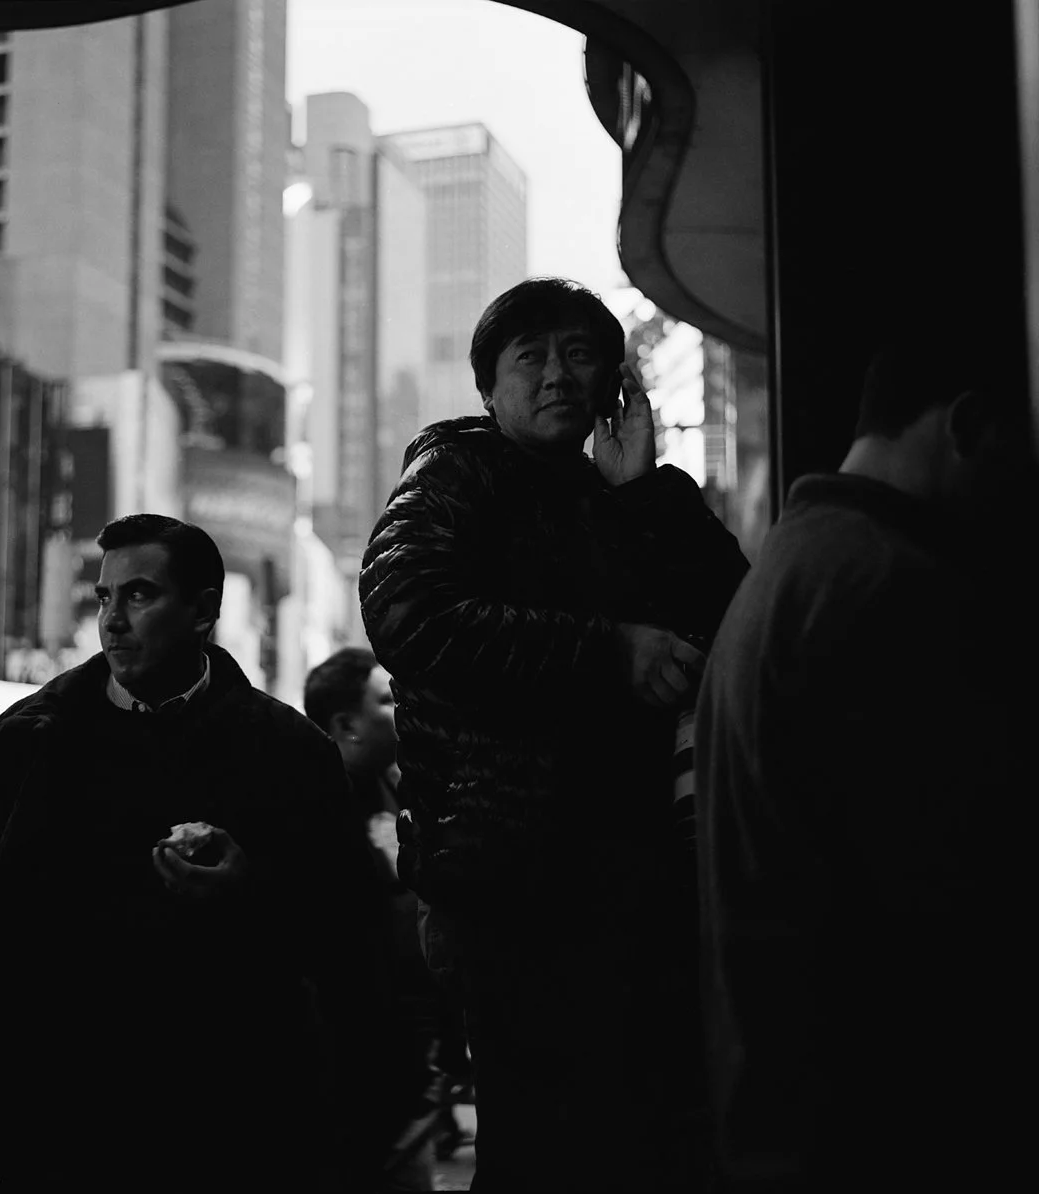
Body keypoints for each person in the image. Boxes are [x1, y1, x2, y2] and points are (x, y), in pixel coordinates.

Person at [359, 276, 751, 1191]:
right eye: (529, 356)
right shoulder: (455, 473)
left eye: (580, 354)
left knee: (640, 1135)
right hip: (510, 880)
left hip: (634, 869)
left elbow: (737, 613)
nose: (556, 374)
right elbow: (409, 613)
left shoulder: (621, 492)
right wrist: (607, 652)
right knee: (541, 1142)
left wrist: (645, 490)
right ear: (488, 387)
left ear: (614, 379)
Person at [0, 514, 405, 1193]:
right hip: (61, 1136)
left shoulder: (289, 754)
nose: (112, 620)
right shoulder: (23, 745)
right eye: (104, 597)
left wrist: (252, 890)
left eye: (139, 595)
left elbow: (352, 946)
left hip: (233, 1135)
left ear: (203, 611)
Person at [694, 334, 1036, 1191]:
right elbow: (952, 896)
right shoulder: (891, 584)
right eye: (1014, 454)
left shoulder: (792, 564)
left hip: (786, 1109)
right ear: (966, 425)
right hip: (880, 1120)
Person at [304, 647, 451, 1192]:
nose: (402, 708)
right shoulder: (317, 807)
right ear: (347, 725)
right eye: (386, 701)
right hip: (357, 1064)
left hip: (407, 1054)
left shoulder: (397, 786)